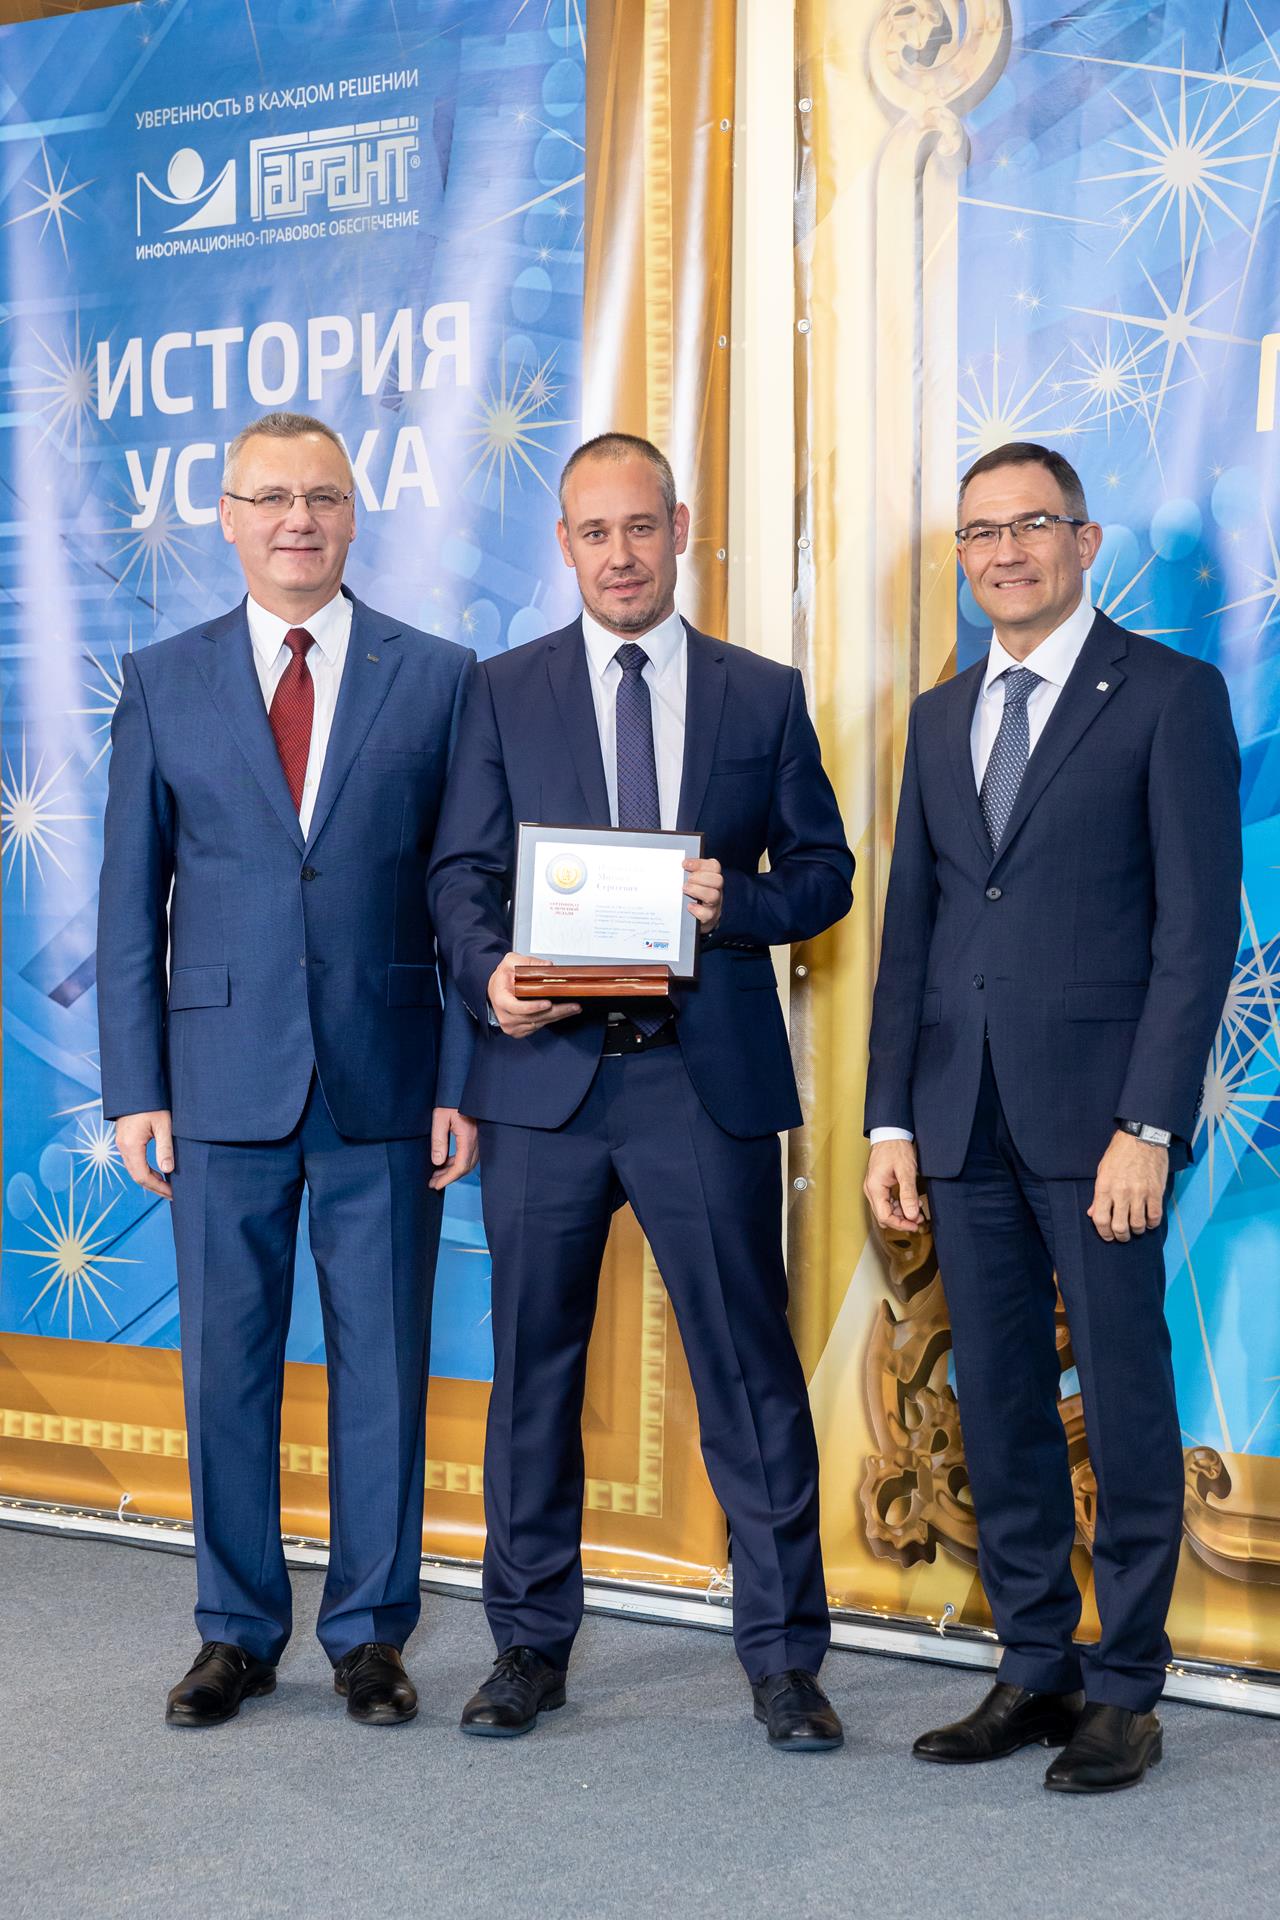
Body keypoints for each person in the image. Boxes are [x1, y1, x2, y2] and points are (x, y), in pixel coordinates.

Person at [428, 432, 854, 1750]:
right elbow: (460, 877)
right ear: (565, 546)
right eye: (595, 532)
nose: (621, 554)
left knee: (749, 1373)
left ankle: (784, 1660)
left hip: (698, 1084)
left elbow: (826, 874)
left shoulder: (760, 694)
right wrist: (490, 975)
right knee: (533, 1376)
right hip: (542, 1085)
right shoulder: (501, 691)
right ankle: (527, 1648)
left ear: (680, 528)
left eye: (641, 527)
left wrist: (743, 903)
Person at [863, 441, 1241, 1793]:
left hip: (1102, 1132)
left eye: (1033, 524)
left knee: (1125, 1397)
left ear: (1084, 541)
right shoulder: (937, 717)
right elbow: (914, 930)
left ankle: (1126, 1687)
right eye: (981, 532)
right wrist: (889, 1121)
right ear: (962, 558)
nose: (1005, 550)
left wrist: (1150, 1122)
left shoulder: (1171, 696)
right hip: (958, 1120)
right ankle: (1034, 1663)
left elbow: (1198, 934)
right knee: (1000, 1398)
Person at [97, 411, 478, 1729]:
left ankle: (370, 1635)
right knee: (226, 1369)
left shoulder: (440, 677)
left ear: (354, 513)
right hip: (217, 1084)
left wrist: (463, 1076)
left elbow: (464, 894)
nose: (297, 519)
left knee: (385, 1371)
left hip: (390, 1078)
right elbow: (126, 900)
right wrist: (135, 1087)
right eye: (269, 498)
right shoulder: (163, 680)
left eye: (321, 496)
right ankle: (236, 1633)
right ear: (228, 517)